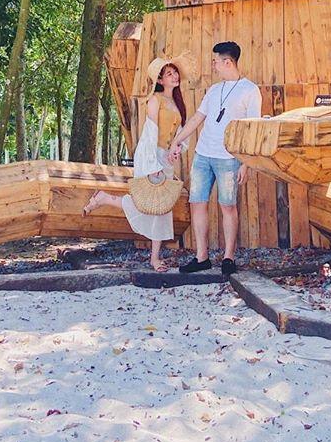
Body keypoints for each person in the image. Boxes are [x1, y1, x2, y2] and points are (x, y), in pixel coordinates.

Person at [82, 56, 190, 272]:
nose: (174, 76)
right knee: (153, 205)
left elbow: (179, 133)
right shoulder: (155, 100)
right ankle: (154, 259)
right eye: (169, 74)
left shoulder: (176, 102)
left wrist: (177, 149)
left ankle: (105, 199)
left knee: (161, 207)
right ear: (159, 80)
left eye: (175, 72)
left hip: (166, 158)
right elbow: (149, 134)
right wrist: (153, 164)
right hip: (152, 155)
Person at [167, 41, 260, 276]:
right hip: (202, 155)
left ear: (228, 62)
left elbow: (254, 131)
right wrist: (177, 141)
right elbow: (198, 118)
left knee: (227, 206)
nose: (214, 65)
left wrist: (246, 164)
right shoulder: (214, 90)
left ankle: (229, 257)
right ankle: (202, 257)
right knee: (197, 203)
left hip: (229, 159)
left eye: (216, 61)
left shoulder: (250, 91)